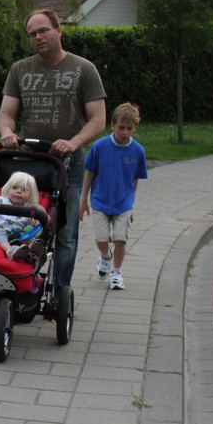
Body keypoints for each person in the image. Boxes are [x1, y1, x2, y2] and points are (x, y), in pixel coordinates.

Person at [0, 8, 107, 308]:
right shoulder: (21, 69)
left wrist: (73, 142)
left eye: (43, 30)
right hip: (30, 159)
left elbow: (98, 119)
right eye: (32, 34)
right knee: (22, 223)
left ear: (58, 30)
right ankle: (22, 281)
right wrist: (7, 132)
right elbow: (6, 113)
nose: (38, 37)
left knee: (66, 231)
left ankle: (59, 293)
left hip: (69, 161)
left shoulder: (84, 69)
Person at [78, 103, 148, 290]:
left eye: (130, 128)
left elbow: (135, 179)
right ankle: (105, 256)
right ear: (112, 125)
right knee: (101, 239)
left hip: (123, 203)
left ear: (135, 128)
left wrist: (131, 203)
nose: (125, 132)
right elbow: (89, 174)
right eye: (121, 128)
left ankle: (116, 273)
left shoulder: (138, 151)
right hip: (100, 201)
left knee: (120, 239)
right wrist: (84, 200)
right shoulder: (100, 147)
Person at [0, 171, 46, 262]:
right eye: (15, 188)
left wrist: (30, 224)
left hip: (16, 237)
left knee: (30, 237)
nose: (19, 191)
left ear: (31, 195)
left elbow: (31, 228)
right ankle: (10, 251)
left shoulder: (30, 209)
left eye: (24, 190)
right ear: (8, 189)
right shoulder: (0, 201)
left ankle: (32, 254)